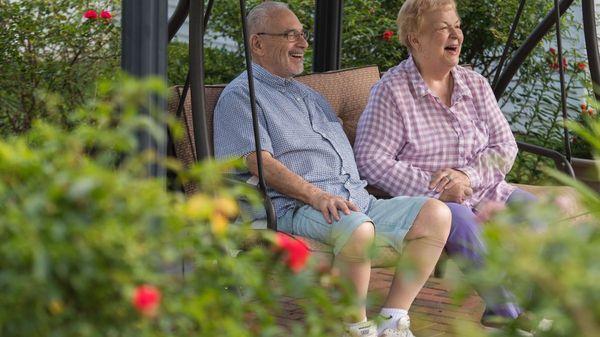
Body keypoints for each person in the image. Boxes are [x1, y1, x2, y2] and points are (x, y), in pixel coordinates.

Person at [214, 2, 451, 336]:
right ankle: (355, 326)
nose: (303, 43)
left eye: (303, 34)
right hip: (298, 207)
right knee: (357, 228)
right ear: (258, 44)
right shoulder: (242, 96)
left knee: (436, 214)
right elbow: (260, 163)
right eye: (290, 35)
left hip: (357, 201)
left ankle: (393, 318)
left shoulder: (309, 95)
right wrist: (317, 195)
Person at [353, 0, 537, 330]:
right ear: (415, 39)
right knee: (462, 219)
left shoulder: (475, 84)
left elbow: (505, 145)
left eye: (457, 26)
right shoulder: (392, 93)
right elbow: (370, 161)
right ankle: (507, 313)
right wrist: (438, 187)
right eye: (442, 27)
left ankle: (531, 301)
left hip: (488, 190)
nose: (455, 34)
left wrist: (466, 175)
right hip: (439, 204)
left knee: (535, 214)